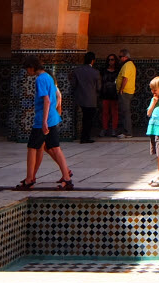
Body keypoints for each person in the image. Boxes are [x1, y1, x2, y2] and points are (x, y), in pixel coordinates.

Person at [16, 56, 74, 189]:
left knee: (32, 148)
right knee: (54, 147)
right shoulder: (48, 77)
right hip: (52, 118)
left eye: (27, 69)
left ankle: (29, 179)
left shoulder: (40, 79)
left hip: (44, 119)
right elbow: (57, 95)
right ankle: (67, 178)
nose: (27, 72)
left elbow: (46, 100)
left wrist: (43, 122)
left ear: (31, 67)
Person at [70, 51, 101, 144]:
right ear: (92, 61)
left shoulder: (77, 71)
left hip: (80, 98)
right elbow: (99, 87)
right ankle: (85, 137)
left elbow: (73, 84)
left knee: (83, 118)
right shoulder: (95, 72)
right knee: (89, 119)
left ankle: (81, 136)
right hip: (91, 99)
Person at [116, 48, 136, 138]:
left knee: (125, 112)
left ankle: (127, 132)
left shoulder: (127, 65)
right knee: (124, 111)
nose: (119, 59)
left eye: (120, 57)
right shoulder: (129, 64)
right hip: (128, 91)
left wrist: (121, 89)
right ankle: (126, 131)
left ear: (125, 57)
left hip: (125, 92)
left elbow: (125, 78)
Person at [100, 53, 120, 137]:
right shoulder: (103, 71)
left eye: (112, 60)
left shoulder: (118, 71)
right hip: (105, 94)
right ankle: (105, 128)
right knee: (105, 112)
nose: (110, 62)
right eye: (109, 60)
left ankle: (114, 129)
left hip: (114, 94)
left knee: (114, 112)